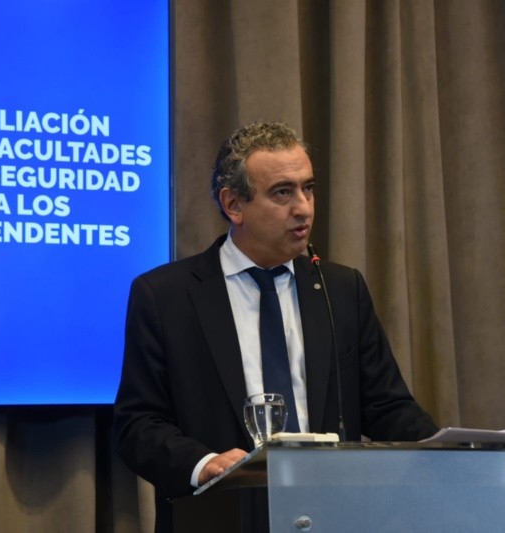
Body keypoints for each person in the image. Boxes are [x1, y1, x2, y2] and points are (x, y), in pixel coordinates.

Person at [114, 122, 437, 532]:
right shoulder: (166, 296)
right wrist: (204, 464)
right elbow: (139, 425)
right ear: (233, 204)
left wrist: (450, 452)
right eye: (283, 192)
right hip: (220, 517)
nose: (304, 208)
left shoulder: (340, 289)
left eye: (308, 188)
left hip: (329, 518)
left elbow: (387, 407)